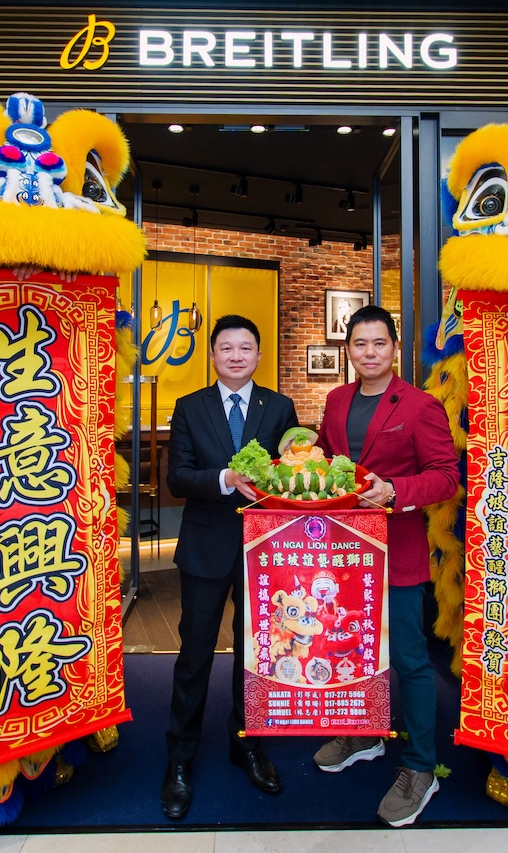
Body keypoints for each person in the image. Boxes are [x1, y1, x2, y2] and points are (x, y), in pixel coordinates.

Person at [310, 304, 458, 827]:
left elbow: (446, 476)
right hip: (344, 554)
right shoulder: (336, 399)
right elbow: (327, 459)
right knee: (352, 650)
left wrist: (394, 490)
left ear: (395, 348)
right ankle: (363, 731)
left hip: (398, 551)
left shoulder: (419, 405)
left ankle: (421, 766)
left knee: (410, 659)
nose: (369, 353)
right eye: (359, 344)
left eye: (379, 343)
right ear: (348, 350)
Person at [161, 314, 300, 820]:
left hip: (265, 551)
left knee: (256, 653)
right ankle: (179, 757)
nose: (236, 356)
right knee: (194, 654)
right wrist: (224, 478)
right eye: (227, 348)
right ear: (213, 355)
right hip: (205, 547)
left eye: (245, 348)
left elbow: (293, 469)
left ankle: (247, 744)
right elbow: (178, 477)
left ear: (259, 355)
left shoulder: (279, 407)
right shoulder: (189, 406)